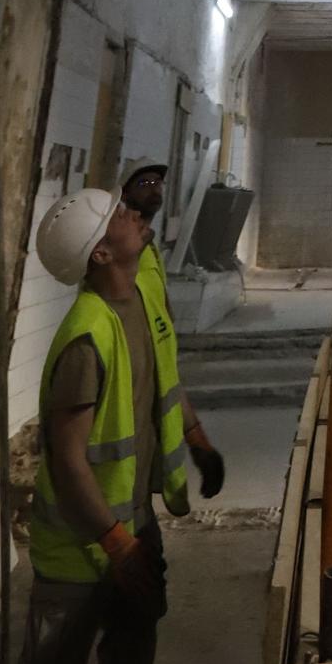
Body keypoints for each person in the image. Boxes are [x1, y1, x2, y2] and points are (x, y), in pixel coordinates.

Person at [23, 189, 186, 664]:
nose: (134, 213)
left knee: (132, 651)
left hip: (134, 525)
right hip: (80, 549)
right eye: (118, 214)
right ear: (101, 253)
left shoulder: (140, 301)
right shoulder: (87, 335)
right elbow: (68, 460)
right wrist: (117, 544)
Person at [118, 158, 225, 501]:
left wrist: (199, 445)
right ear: (124, 193)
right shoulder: (121, 255)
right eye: (144, 183)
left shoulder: (149, 254)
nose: (154, 189)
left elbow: (166, 373)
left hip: (144, 452)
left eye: (158, 183)